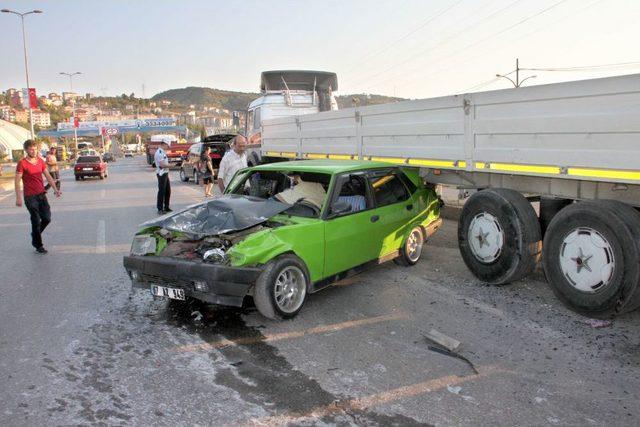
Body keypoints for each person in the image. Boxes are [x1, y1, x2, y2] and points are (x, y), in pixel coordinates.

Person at [15, 139, 62, 254]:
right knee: (35, 220)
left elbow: (48, 176)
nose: (33, 151)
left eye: (35, 149)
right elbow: (17, 181)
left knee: (46, 218)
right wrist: (18, 197)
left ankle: (35, 234)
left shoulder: (40, 161)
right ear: (26, 150)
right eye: (31, 149)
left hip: (41, 195)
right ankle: (38, 245)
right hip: (30, 197)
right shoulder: (22, 163)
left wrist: (56, 189)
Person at [154, 139, 172, 215]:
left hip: (165, 172)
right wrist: (172, 166)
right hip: (161, 174)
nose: (168, 147)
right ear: (164, 144)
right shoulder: (159, 152)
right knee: (162, 191)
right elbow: (162, 164)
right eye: (167, 146)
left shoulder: (162, 152)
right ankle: (160, 208)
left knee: (168, 191)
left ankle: (166, 207)